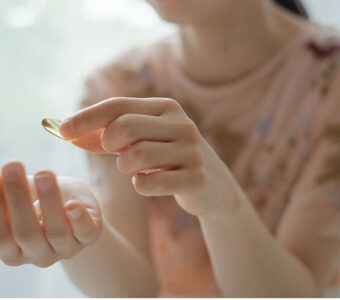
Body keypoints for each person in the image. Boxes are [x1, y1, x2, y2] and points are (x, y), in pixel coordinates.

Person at [1, 0, 340, 297]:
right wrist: (74, 227)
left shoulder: (331, 83)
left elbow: (298, 293)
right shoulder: (118, 84)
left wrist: (224, 205)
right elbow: (134, 292)